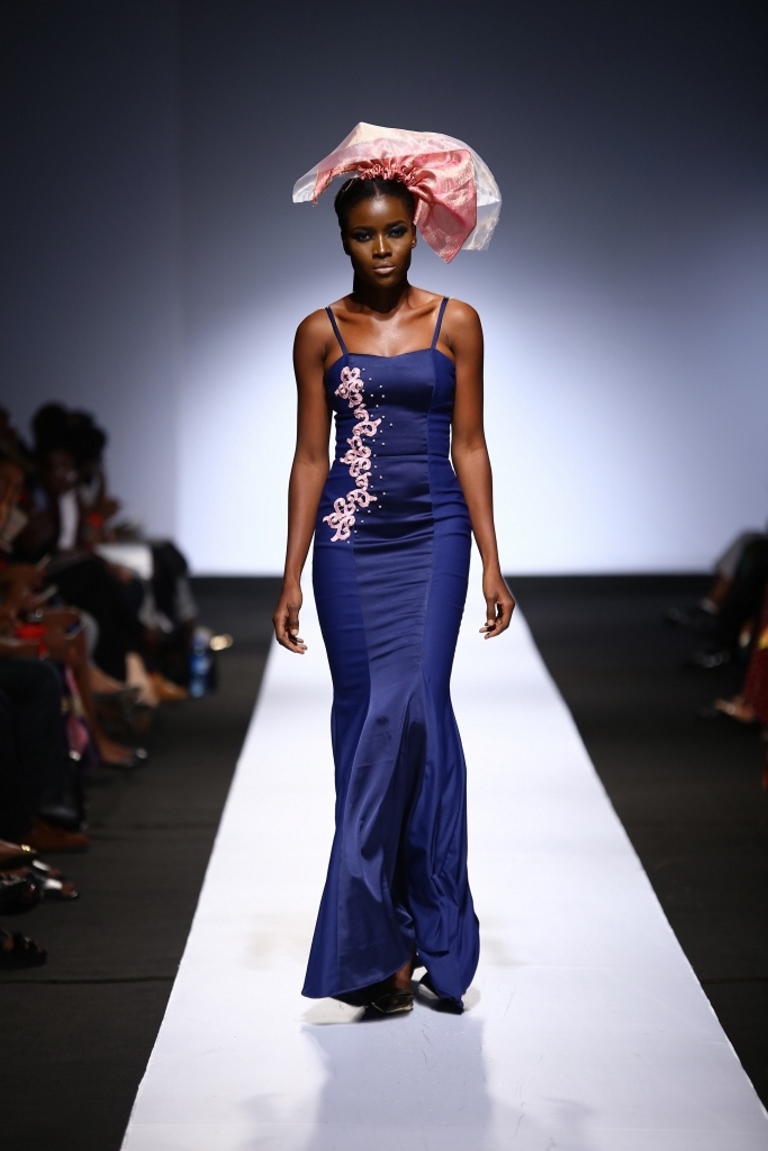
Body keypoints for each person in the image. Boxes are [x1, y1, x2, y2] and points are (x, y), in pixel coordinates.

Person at [273, 124, 515, 1016]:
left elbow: (471, 444)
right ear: (343, 239)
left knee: (412, 710)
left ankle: (431, 928)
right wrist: (291, 573)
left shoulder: (458, 322)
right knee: (365, 721)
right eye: (363, 235)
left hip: (434, 534)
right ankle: (378, 942)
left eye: (395, 231)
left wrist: (493, 562)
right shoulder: (317, 332)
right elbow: (311, 457)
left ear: (417, 229)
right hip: (348, 542)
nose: (381, 248)